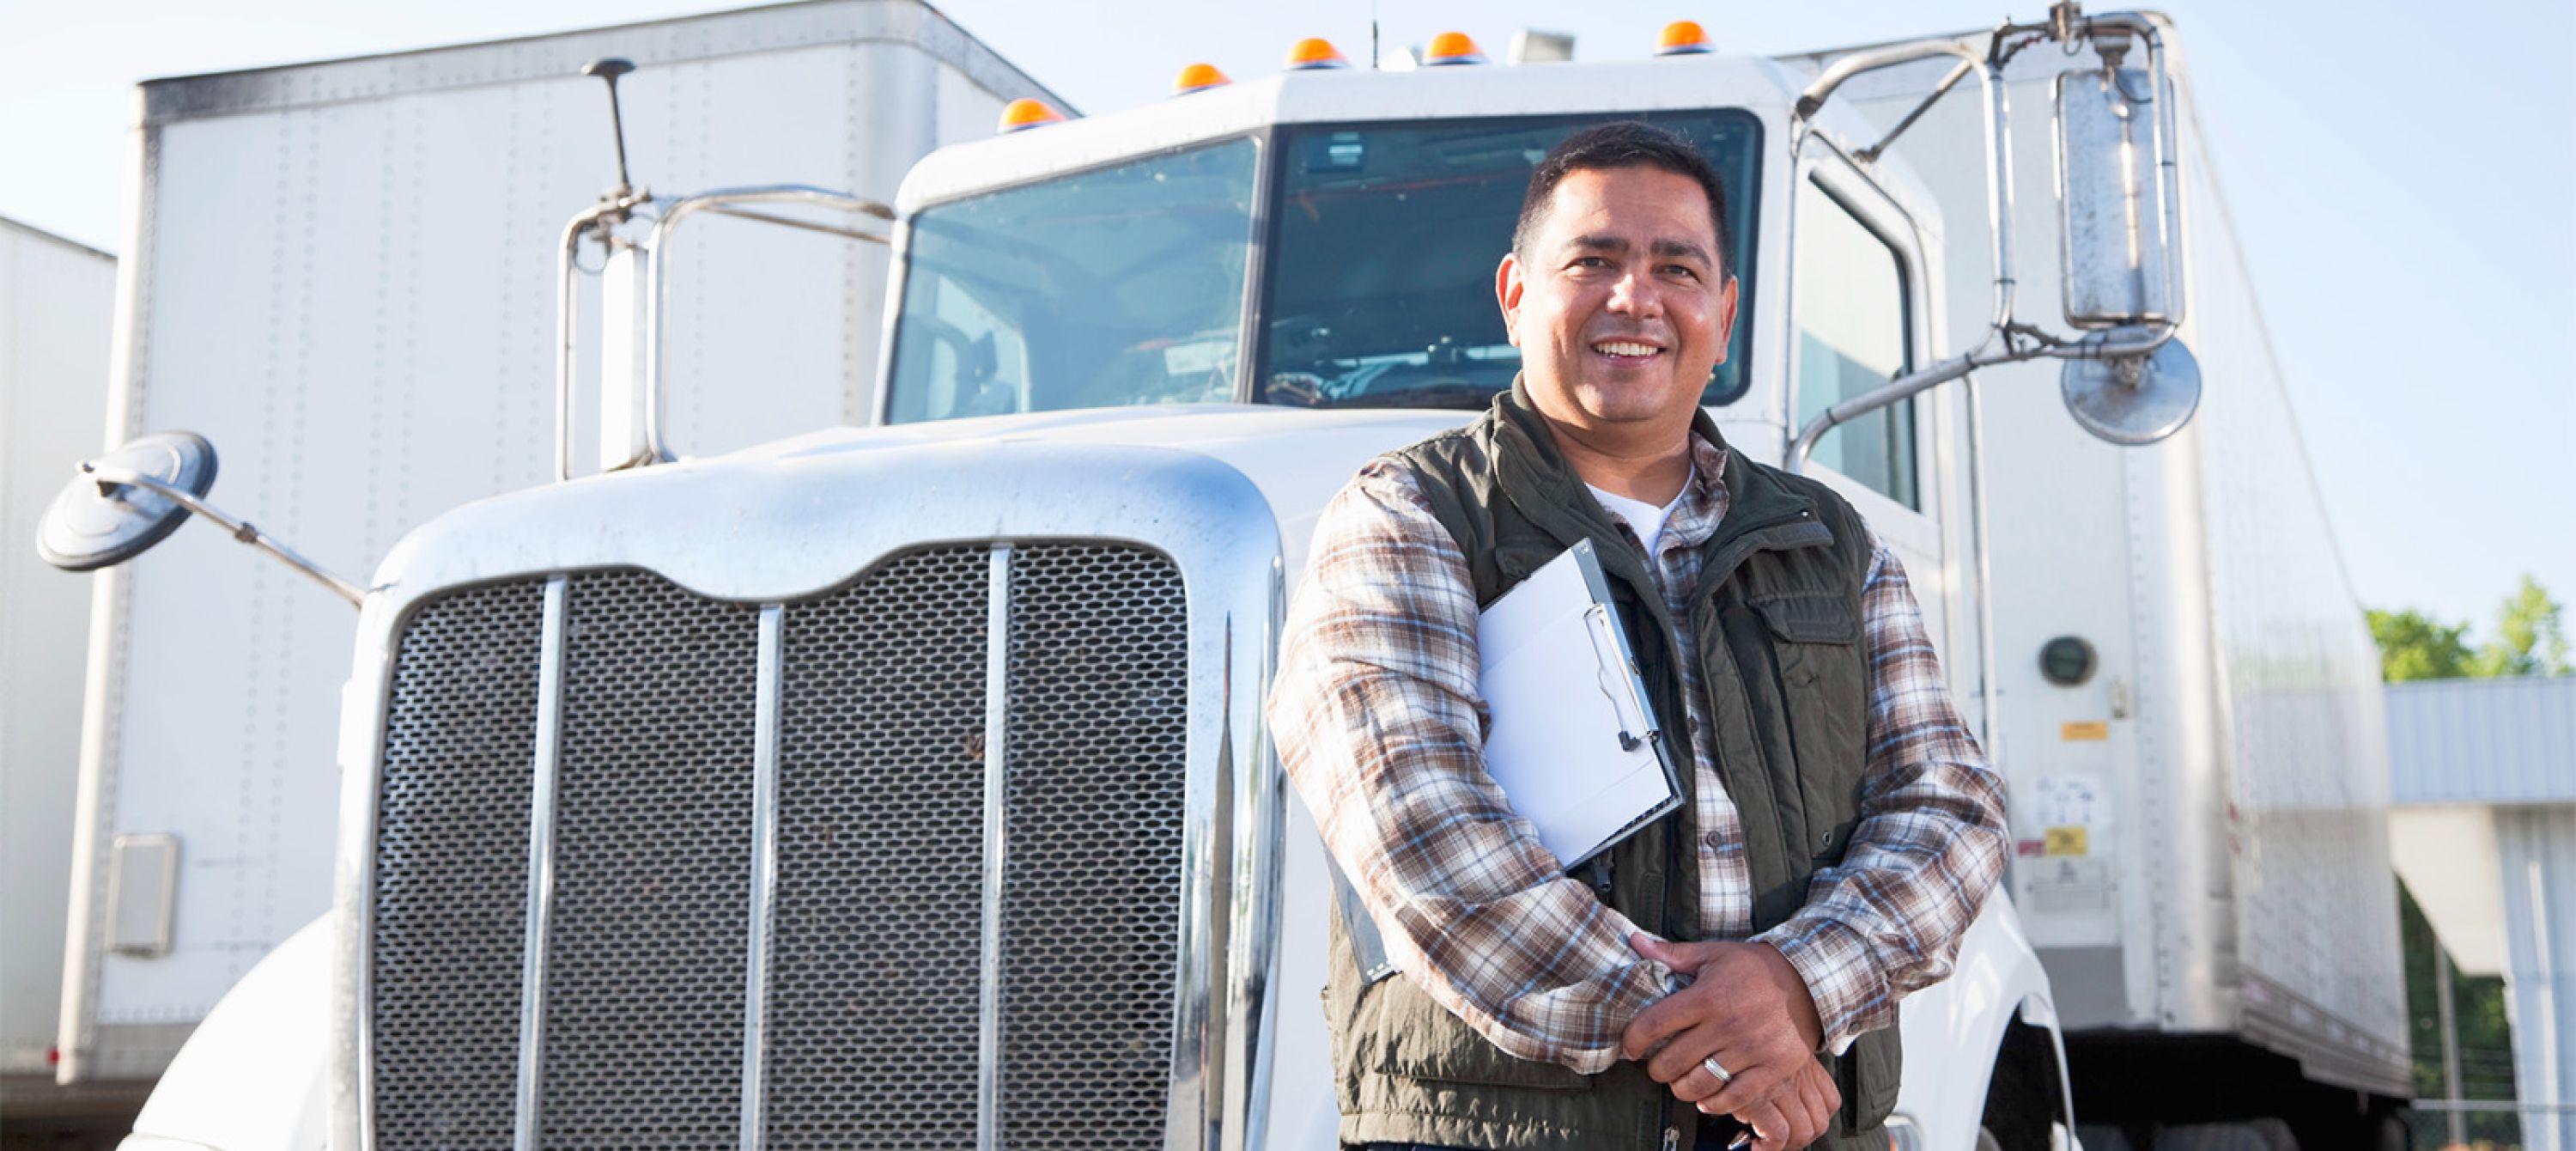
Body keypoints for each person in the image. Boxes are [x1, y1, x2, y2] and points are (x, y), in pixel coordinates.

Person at [1268, 121, 2008, 1151]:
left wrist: (1798, 985)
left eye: (1676, 268)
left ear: (1724, 311)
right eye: (1594, 261)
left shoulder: (1832, 541)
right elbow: (1419, 827)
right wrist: (1724, 1041)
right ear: (1516, 293)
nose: (1635, 298)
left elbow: (1950, 809)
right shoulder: (1407, 515)